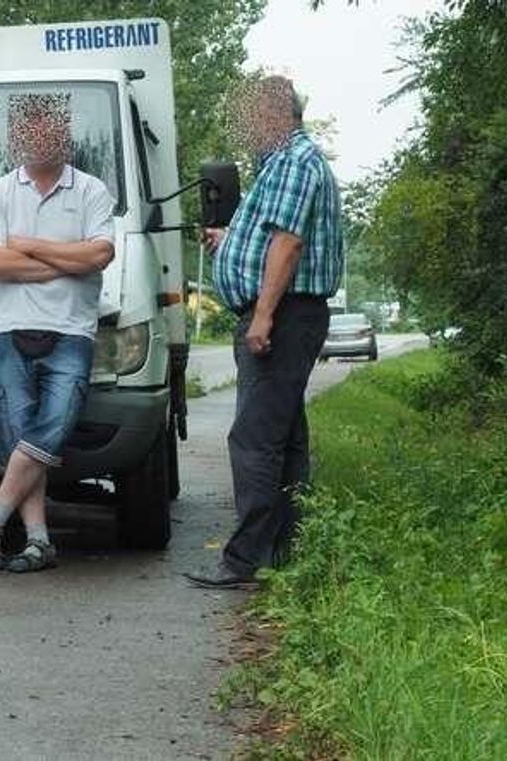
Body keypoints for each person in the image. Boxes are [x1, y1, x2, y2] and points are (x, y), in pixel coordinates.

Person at [186, 76, 343, 589]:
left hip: (283, 316)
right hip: (284, 315)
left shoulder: (296, 162)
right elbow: (269, 235)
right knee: (284, 438)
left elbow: (288, 244)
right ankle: (284, 554)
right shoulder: (282, 164)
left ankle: (243, 561)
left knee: (254, 440)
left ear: (275, 115)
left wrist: (263, 316)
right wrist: (229, 242)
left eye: (251, 118)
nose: (246, 129)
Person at [0, 92, 115, 572]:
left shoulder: (92, 190)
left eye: (47, 127)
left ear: (63, 133)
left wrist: (28, 245)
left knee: (51, 428)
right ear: (15, 137)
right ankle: (38, 541)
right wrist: (64, 260)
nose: (38, 136)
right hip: (10, 328)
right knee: (21, 437)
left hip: (71, 329)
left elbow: (99, 256)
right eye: (27, 129)